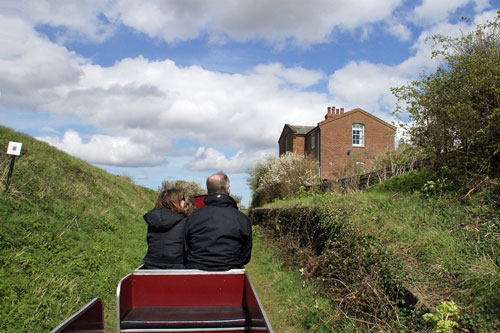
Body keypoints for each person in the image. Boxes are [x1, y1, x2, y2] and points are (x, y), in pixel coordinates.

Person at [184, 172, 252, 271]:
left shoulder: (193, 218)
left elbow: (186, 250)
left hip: (197, 275)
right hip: (231, 275)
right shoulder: (242, 219)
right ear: (228, 190)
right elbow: (245, 256)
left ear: (208, 191)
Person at [143, 189, 189, 269]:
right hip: (177, 264)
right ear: (177, 201)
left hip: (151, 264)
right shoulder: (185, 220)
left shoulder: (153, 219)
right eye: (183, 199)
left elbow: (149, 240)